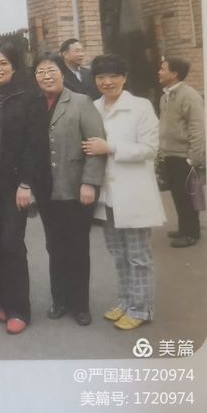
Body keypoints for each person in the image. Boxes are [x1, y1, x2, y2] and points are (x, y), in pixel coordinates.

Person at [0, 41, 50, 335]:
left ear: (14, 67)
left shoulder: (30, 98)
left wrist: (26, 183)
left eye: (3, 63)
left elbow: (35, 144)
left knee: (11, 244)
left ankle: (19, 309)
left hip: (14, 184)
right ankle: (4, 300)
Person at [83, 54, 165, 330]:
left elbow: (150, 149)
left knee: (138, 255)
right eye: (101, 77)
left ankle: (141, 308)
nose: (107, 82)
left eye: (113, 76)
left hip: (134, 194)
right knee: (118, 253)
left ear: (124, 77)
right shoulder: (93, 107)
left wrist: (111, 148)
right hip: (108, 196)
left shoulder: (140, 107)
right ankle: (126, 300)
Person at [33, 53, 106, 327]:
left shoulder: (81, 102)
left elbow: (95, 145)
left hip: (76, 188)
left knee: (77, 247)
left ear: (62, 73)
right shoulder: (34, 105)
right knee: (55, 246)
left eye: (51, 70)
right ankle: (60, 299)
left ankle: (80, 305)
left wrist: (90, 182)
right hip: (47, 191)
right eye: (40, 72)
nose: (46, 76)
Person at [158, 57, 205, 248]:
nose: (159, 72)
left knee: (188, 197)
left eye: (163, 69)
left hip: (184, 157)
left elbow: (197, 129)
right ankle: (184, 228)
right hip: (170, 155)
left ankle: (191, 234)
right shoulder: (165, 96)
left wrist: (193, 158)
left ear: (174, 74)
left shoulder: (190, 96)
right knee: (178, 196)